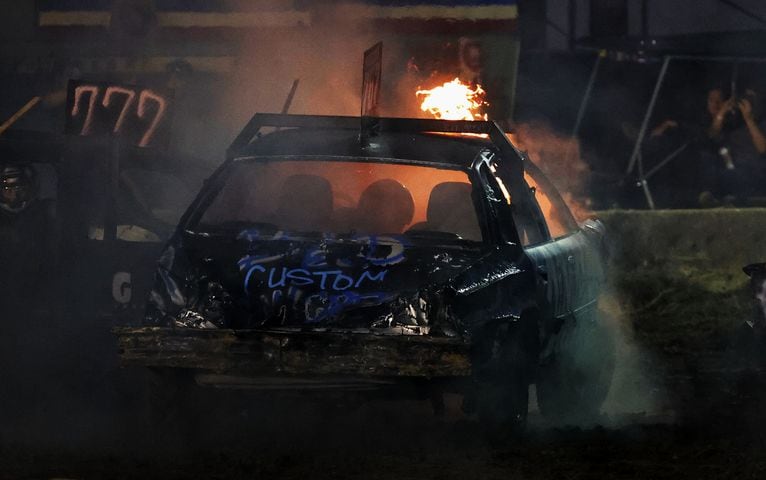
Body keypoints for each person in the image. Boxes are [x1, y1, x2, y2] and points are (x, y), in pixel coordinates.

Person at [700, 85, 766, 204]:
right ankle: (713, 198)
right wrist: (722, 111)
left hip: (755, 170)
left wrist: (749, 119)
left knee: (740, 174)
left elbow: (763, 149)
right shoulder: (731, 123)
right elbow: (712, 135)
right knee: (708, 160)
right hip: (732, 169)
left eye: (750, 98)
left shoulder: (761, 124)